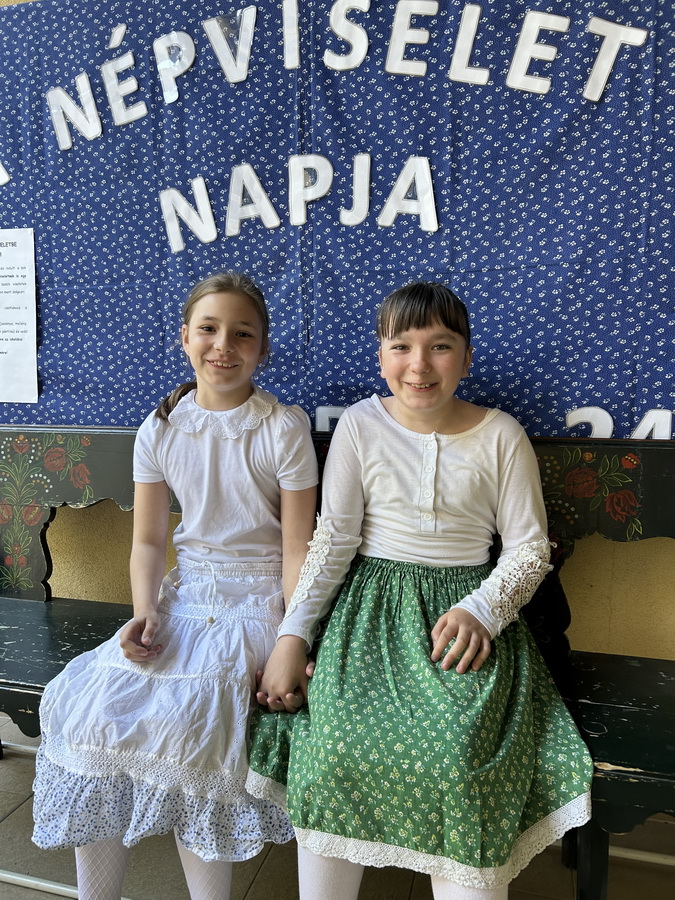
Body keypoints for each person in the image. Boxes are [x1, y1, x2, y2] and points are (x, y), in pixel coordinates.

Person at [249, 281, 593, 900]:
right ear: (381, 356)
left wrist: (482, 610)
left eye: (440, 346)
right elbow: (333, 541)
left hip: (464, 619)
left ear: (466, 357)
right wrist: (291, 635)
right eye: (402, 346)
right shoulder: (361, 425)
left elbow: (528, 549)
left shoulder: (501, 435)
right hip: (368, 617)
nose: (419, 364)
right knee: (333, 749)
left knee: (459, 758)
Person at [32, 272, 318, 900]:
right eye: (209, 330)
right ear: (185, 337)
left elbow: (300, 547)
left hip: (258, 605)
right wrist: (144, 612)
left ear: (263, 347)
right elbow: (149, 542)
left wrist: (293, 636)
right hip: (184, 600)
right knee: (92, 720)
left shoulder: (283, 429)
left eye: (243, 334)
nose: (224, 346)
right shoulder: (161, 428)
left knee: (198, 738)